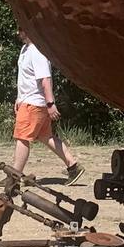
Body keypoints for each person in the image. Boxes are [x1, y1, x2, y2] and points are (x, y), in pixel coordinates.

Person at [12, 31, 83, 180]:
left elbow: (45, 79)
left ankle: (14, 177)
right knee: (45, 137)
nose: (18, 32)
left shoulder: (38, 51)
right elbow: (25, 79)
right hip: (28, 101)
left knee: (22, 138)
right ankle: (73, 166)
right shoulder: (25, 49)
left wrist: (50, 104)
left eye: (22, 29)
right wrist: (19, 98)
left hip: (33, 104)